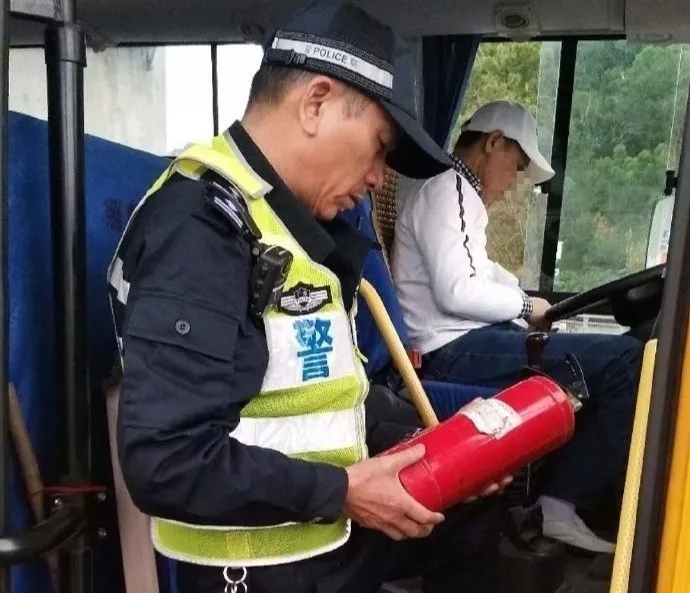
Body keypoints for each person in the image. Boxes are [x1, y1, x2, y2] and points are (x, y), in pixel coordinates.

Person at [107, 4, 510, 592]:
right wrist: (342, 491)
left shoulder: (279, 227)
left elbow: (316, 406)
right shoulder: (202, 232)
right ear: (316, 103)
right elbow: (165, 461)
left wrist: (439, 449)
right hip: (253, 569)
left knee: (474, 510)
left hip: (319, 538)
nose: (378, 178)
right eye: (379, 146)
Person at [391, 100, 643, 554]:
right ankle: (594, 513)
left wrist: (533, 304)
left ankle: (560, 504)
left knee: (603, 364)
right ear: (494, 143)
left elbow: (483, 270)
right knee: (626, 360)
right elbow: (458, 291)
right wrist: (527, 306)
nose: (512, 183)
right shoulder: (450, 189)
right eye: (516, 166)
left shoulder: (458, 194)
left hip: (463, 340)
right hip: (449, 349)